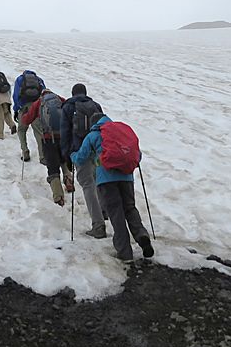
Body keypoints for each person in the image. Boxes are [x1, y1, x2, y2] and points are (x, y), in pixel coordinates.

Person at [71, 113, 154, 263]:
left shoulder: (94, 134)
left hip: (106, 179)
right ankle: (142, 235)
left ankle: (125, 252)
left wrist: (72, 156)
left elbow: (81, 158)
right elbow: (138, 155)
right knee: (130, 208)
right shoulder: (122, 131)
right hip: (126, 177)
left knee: (116, 213)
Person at [61, 83, 107, 238]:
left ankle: (98, 225)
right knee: (98, 180)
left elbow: (65, 132)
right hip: (97, 151)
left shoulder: (68, 107)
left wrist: (67, 156)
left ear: (73, 93)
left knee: (87, 185)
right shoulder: (96, 105)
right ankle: (104, 210)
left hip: (80, 151)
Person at [20, 88, 74, 206]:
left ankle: (58, 196)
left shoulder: (39, 102)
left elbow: (27, 120)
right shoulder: (60, 99)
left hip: (48, 139)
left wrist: (24, 114)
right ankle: (68, 179)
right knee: (63, 159)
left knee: (52, 166)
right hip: (63, 137)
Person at [12, 70, 46, 164]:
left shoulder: (20, 79)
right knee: (39, 132)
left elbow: (16, 95)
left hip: (24, 108)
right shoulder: (39, 80)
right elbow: (44, 94)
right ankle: (42, 156)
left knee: (22, 130)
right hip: (36, 108)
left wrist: (16, 109)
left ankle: (25, 151)